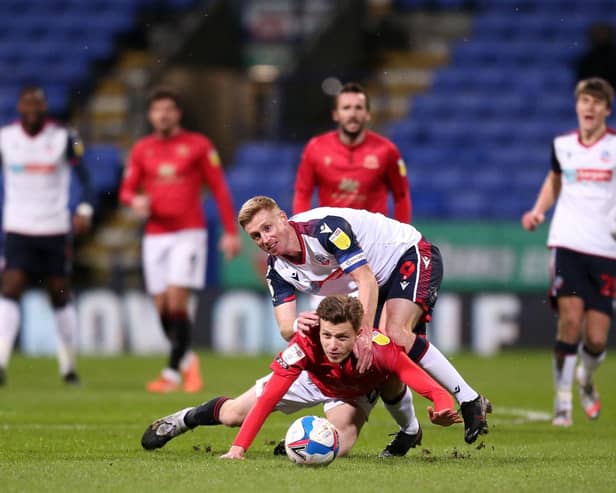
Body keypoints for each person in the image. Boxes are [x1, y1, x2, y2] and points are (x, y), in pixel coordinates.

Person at [238, 195, 491, 447]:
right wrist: (296, 325)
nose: (264, 239)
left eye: (267, 228)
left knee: (394, 334)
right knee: (382, 356)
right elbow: (285, 327)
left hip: (406, 253)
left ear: (283, 218)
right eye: (256, 236)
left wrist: (364, 335)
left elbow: (366, 279)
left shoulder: (324, 229)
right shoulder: (277, 269)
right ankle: (411, 430)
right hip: (370, 282)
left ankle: (469, 399)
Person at [141, 295, 462, 459]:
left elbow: (431, 387)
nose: (333, 344)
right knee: (233, 415)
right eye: (327, 335)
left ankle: (298, 445)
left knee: (341, 441)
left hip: (352, 390)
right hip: (309, 379)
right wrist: (239, 448)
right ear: (318, 329)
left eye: (342, 337)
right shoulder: (305, 344)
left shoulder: (378, 350)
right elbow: (268, 399)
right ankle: (185, 419)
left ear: (358, 335)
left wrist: (444, 408)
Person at [119, 87, 241, 393]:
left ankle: (172, 373)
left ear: (178, 113)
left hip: (189, 233)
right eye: (157, 110)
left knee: (176, 301)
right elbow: (126, 189)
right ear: (150, 115)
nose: (163, 115)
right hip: (155, 235)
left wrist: (229, 231)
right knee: (162, 308)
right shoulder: (142, 149)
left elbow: (219, 189)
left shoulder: (198, 145)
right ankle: (188, 361)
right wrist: (134, 200)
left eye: (168, 109)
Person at [521, 77, 616, 427]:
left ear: (607, 109)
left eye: (597, 102)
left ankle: (586, 381)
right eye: (584, 101)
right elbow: (555, 180)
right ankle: (562, 403)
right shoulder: (563, 145)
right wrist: (539, 210)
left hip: (606, 249)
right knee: (570, 321)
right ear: (577, 106)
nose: (589, 107)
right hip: (567, 244)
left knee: (596, 337)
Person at [0, 86, 94, 386]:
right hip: (18, 227)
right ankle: (1, 361)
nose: (32, 109)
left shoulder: (64, 138)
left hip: (55, 228)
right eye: (27, 104)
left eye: (37, 104)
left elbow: (86, 180)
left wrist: (84, 209)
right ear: (19, 107)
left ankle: (68, 366)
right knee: (10, 287)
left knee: (59, 293)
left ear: (45, 107)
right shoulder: (5, 139)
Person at [293, 82, 411, 223]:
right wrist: (303, 230)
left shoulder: (387, 150)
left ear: (367, 114)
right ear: (335, 115)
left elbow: (401, 196)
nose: (353, 114)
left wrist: (402, 235)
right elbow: (302, 194)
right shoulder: (315, 147)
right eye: (346, 108)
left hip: (374, 238)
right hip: (331, 237)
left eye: (358, 108)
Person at [575, 23, 616, 91]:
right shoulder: (586, 61)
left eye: (603, 34)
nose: (601, 37)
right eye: (598, 34)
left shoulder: (586, 60)